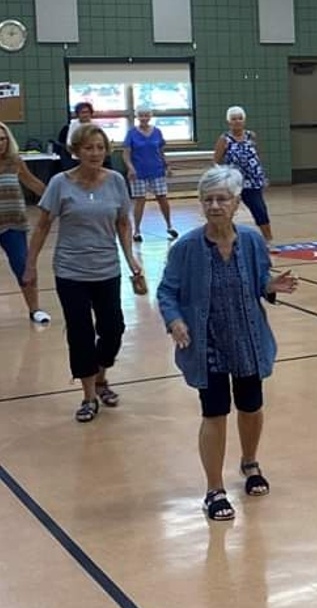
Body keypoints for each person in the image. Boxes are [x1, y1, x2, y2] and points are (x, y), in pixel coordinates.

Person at [156, 165, 299, 522]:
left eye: (222, 199)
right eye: (208, 199)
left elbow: (259, 278)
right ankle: (214, 489)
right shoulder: (187, 247)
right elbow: (167, 291)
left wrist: (271, 285)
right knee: (214, 412)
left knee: (251, 407)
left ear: (236, 204)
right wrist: (174, 321)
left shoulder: (250, 241)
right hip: (208, 346)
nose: (215, 205)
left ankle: (250, 464)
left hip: (247, 340)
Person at [25, 124, 143, 422]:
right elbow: (42, 226)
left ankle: (101, 376)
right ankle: (89, 395)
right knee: (80, 333)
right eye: (89, 148)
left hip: (107, 269)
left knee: (113, 329)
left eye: (100, 148)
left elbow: (123, 224)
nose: (95, 153)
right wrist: (30, 264)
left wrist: (132, 261)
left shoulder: (116, 181)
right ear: (76, 151)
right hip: (71, 271)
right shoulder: (60, 183)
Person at [0, 121, 51, 324]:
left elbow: (33, 184)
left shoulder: (15, 162)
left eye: (3, 139)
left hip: (13, 224)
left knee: (23, 265)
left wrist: (56, 198)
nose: (0, 143)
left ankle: (35, 310)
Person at [213, 106, 275, 249]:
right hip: (233, 181)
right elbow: (216, 161)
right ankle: (223, 237)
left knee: (259, 209)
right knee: (228, 210)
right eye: (234, 119)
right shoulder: (224, 139)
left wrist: (262, 176)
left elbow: (256, 156)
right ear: (229, 121)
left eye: (240, 118)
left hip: (252, 181)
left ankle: (268, 240)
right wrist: (221, 178)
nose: (237, 121)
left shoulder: (251, 136)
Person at [122, 107, 177, 242]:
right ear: (137, 117)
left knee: (162, 198)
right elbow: (126, 154)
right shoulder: (131, 133)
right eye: (141, 115)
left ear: (150, 116)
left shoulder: (157, 132)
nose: (144, 118)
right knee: (140, 200)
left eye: (146, 115)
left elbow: (161, 151)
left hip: (157, 170)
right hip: (139, 172)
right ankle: (137, 230)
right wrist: (130, 168)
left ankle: (170, 226)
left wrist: (167, 166)